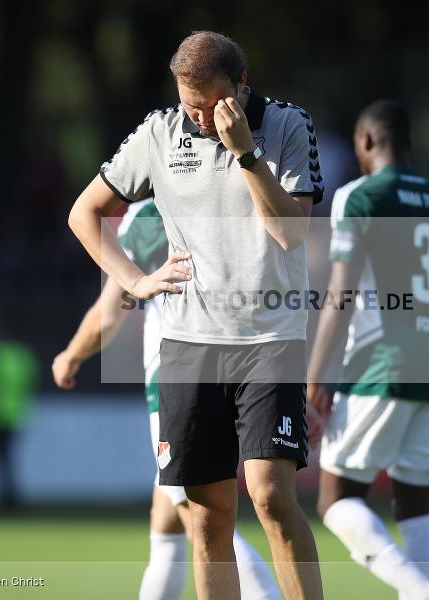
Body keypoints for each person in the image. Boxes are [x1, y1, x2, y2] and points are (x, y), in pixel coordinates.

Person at [68, 31, 323, 600]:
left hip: (268, 338)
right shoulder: (158, 133)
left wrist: (246, 153)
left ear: (241, 85)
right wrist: (135, 280)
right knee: (206, 516)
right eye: (191, 104)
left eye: (212, 103)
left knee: (271, 496)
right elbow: (85, 213)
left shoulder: (286, 126)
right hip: (187, 346)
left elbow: (290, 232)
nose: (201, 116)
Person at [53, 198, 280, 600]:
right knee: (167, 522)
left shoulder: (149, 215)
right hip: (244, 372)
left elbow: (109, 315)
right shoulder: (236, 195)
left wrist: (70, 355)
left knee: (200, 520)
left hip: (178, 383)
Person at [305, 100, 429, 600]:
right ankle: (424, 591)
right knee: (416, 502)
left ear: (367, 142)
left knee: (336, 500)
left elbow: (341, 293)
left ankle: (421, 591)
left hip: (380, 363)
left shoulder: (359, 196)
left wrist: (316, 375)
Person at [0, 330, 39, 510]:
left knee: (2, 458)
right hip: (19, 412)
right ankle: (12, 497)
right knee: (10, 457)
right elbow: (32, 380)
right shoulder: (22, 355)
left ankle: (5, 499)